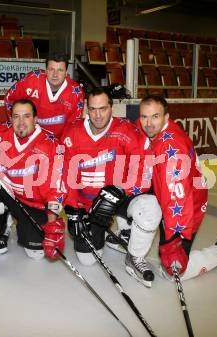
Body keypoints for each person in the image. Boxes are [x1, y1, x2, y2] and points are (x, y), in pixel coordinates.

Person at [128, 94, 217, 284]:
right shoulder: (154, 128)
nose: (148, 123)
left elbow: (177, 200)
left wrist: (173, 239)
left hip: (188, 205)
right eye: (144, 116)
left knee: (173, 271)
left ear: (166, 117)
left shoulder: (172, 150)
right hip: (169, 191)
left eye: (154, 117)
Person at [61, 87, 162, 287]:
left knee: (150, 206)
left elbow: (142, 170)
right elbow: (64, 175)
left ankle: (134, 257)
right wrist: (73, 209)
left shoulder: (127, 131)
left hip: (118, 197)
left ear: (112, 108)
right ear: (86, 110)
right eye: (92, 109)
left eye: (103, 109)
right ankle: (109, 231)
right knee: (87, 260)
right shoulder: (71, 133)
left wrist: (120, 190)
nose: (98, 115)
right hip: (88, 205)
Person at [0, 98, 66, 290]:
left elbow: (56, 187)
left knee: (35, 252)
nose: (21, 122)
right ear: (10, 119)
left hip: (30, 202)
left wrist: (52, 224)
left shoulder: (51, 144)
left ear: (36, 119)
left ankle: (13, 220)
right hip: (4, 191)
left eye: (27, 116)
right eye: (16, 116)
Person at [0, 53, 85, 254]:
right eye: (51, 69)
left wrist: (60, 149)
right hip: (29, 137)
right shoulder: (31, 80)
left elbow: (73, 125)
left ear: (67, 71)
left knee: (56, 179)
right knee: (11, 177)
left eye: (60, 70)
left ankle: (69, 212)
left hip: (53, 144)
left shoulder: (75, 92)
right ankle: (4, 224)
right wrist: (19, 128)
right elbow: (9, 100)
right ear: (45, 69)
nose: (55, 74)